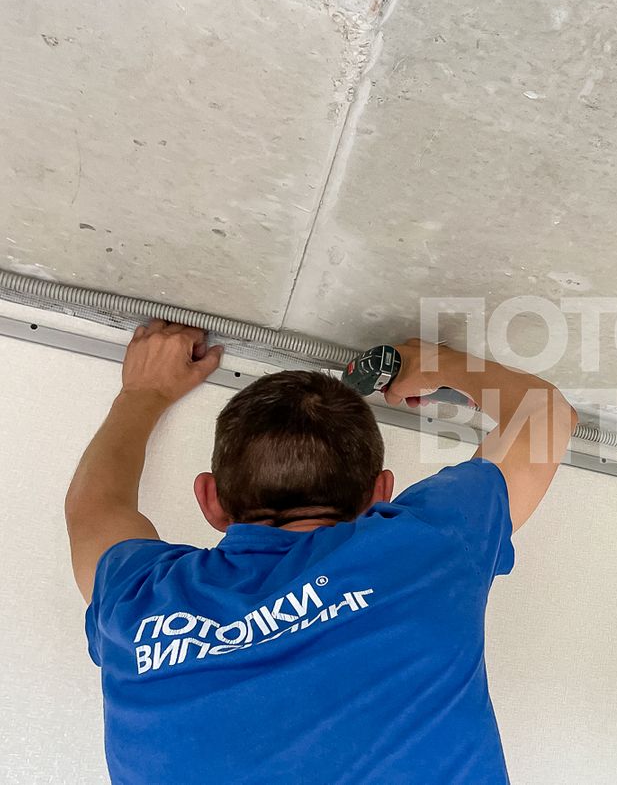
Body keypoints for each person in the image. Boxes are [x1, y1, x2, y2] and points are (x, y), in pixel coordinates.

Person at [67, 319, 576, 784]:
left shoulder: (136, 602)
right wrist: (437, 363)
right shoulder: (423, 545)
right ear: (380, 494)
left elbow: (95, 508)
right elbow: (545, 413)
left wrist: (145, 392)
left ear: (210, 499)